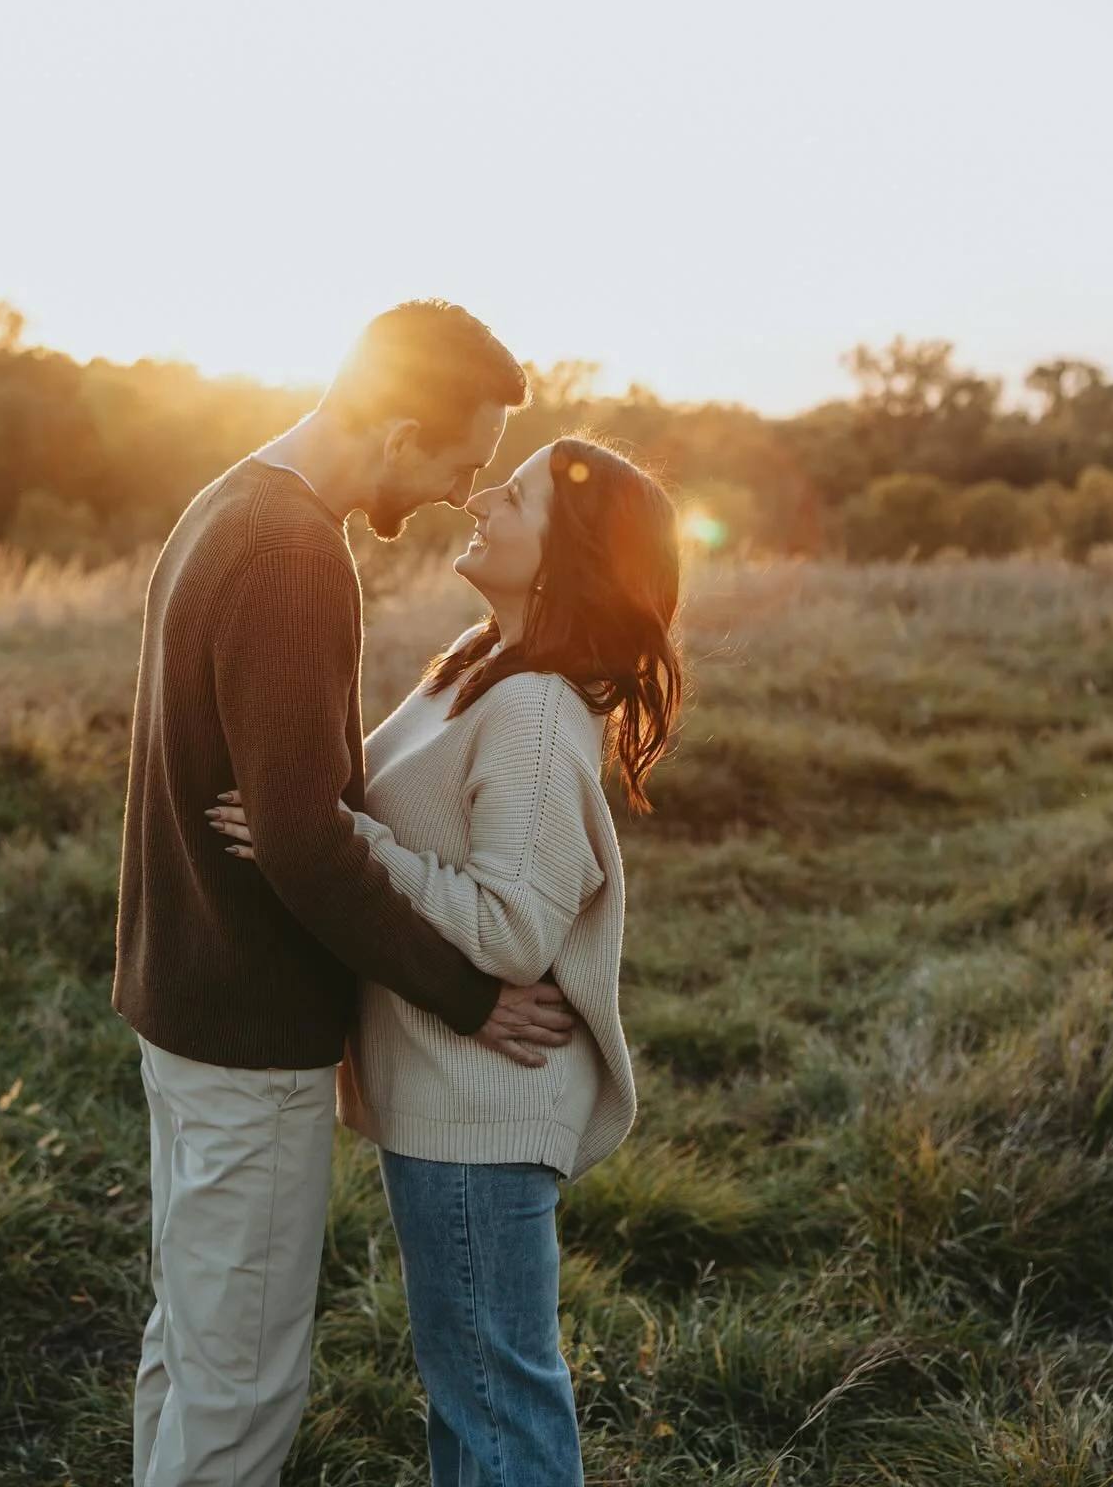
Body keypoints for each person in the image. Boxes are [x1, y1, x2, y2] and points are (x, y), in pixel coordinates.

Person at [113, 301, 578, 1487]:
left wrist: (306, 820)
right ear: (400, 429)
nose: (457, 491)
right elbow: (302, 844)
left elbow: (293, 818)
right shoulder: (291, 551)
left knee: (188, 1343)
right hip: (249, 1029)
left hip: (186, 1007)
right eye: (459, 462)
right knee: (239, 1388)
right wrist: (467, 997)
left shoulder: (234, 497)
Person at [211, 434, 682, 1487]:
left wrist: (341, 840)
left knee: (495, 1400)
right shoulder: (475, 665)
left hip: (479, 1110)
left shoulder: (531, 714)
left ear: (562, 561)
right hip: (442, 1093)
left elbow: (513, 931)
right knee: (469, 1396)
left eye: (511, 499)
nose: (479, 501)